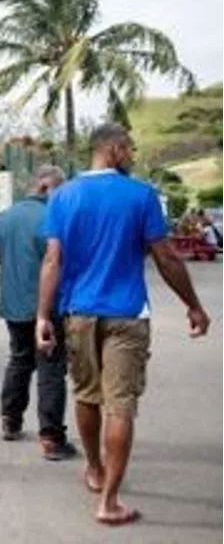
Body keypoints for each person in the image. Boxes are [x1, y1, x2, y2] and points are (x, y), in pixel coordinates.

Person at [37, 123, 211, 527]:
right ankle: (110, 502)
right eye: (129, 149)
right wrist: (194, 307)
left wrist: (44, 316)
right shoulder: (141, 195)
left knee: (85, 395)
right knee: (120, 405)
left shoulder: (62, 196)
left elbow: (52, 261)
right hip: (127, 315)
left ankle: (95, 470)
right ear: (113, 149)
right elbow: (166, 257)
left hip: (78, 313)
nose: (132, 155)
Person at [0, 165, 78, 460]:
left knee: (20, 360)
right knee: (50, 367)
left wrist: (10, 258)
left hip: (13, 305)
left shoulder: (6, 216)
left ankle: (10, 420)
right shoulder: (55, 217)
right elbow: (62, 260)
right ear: (47, 187)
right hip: (48, 306)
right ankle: (51, 437)